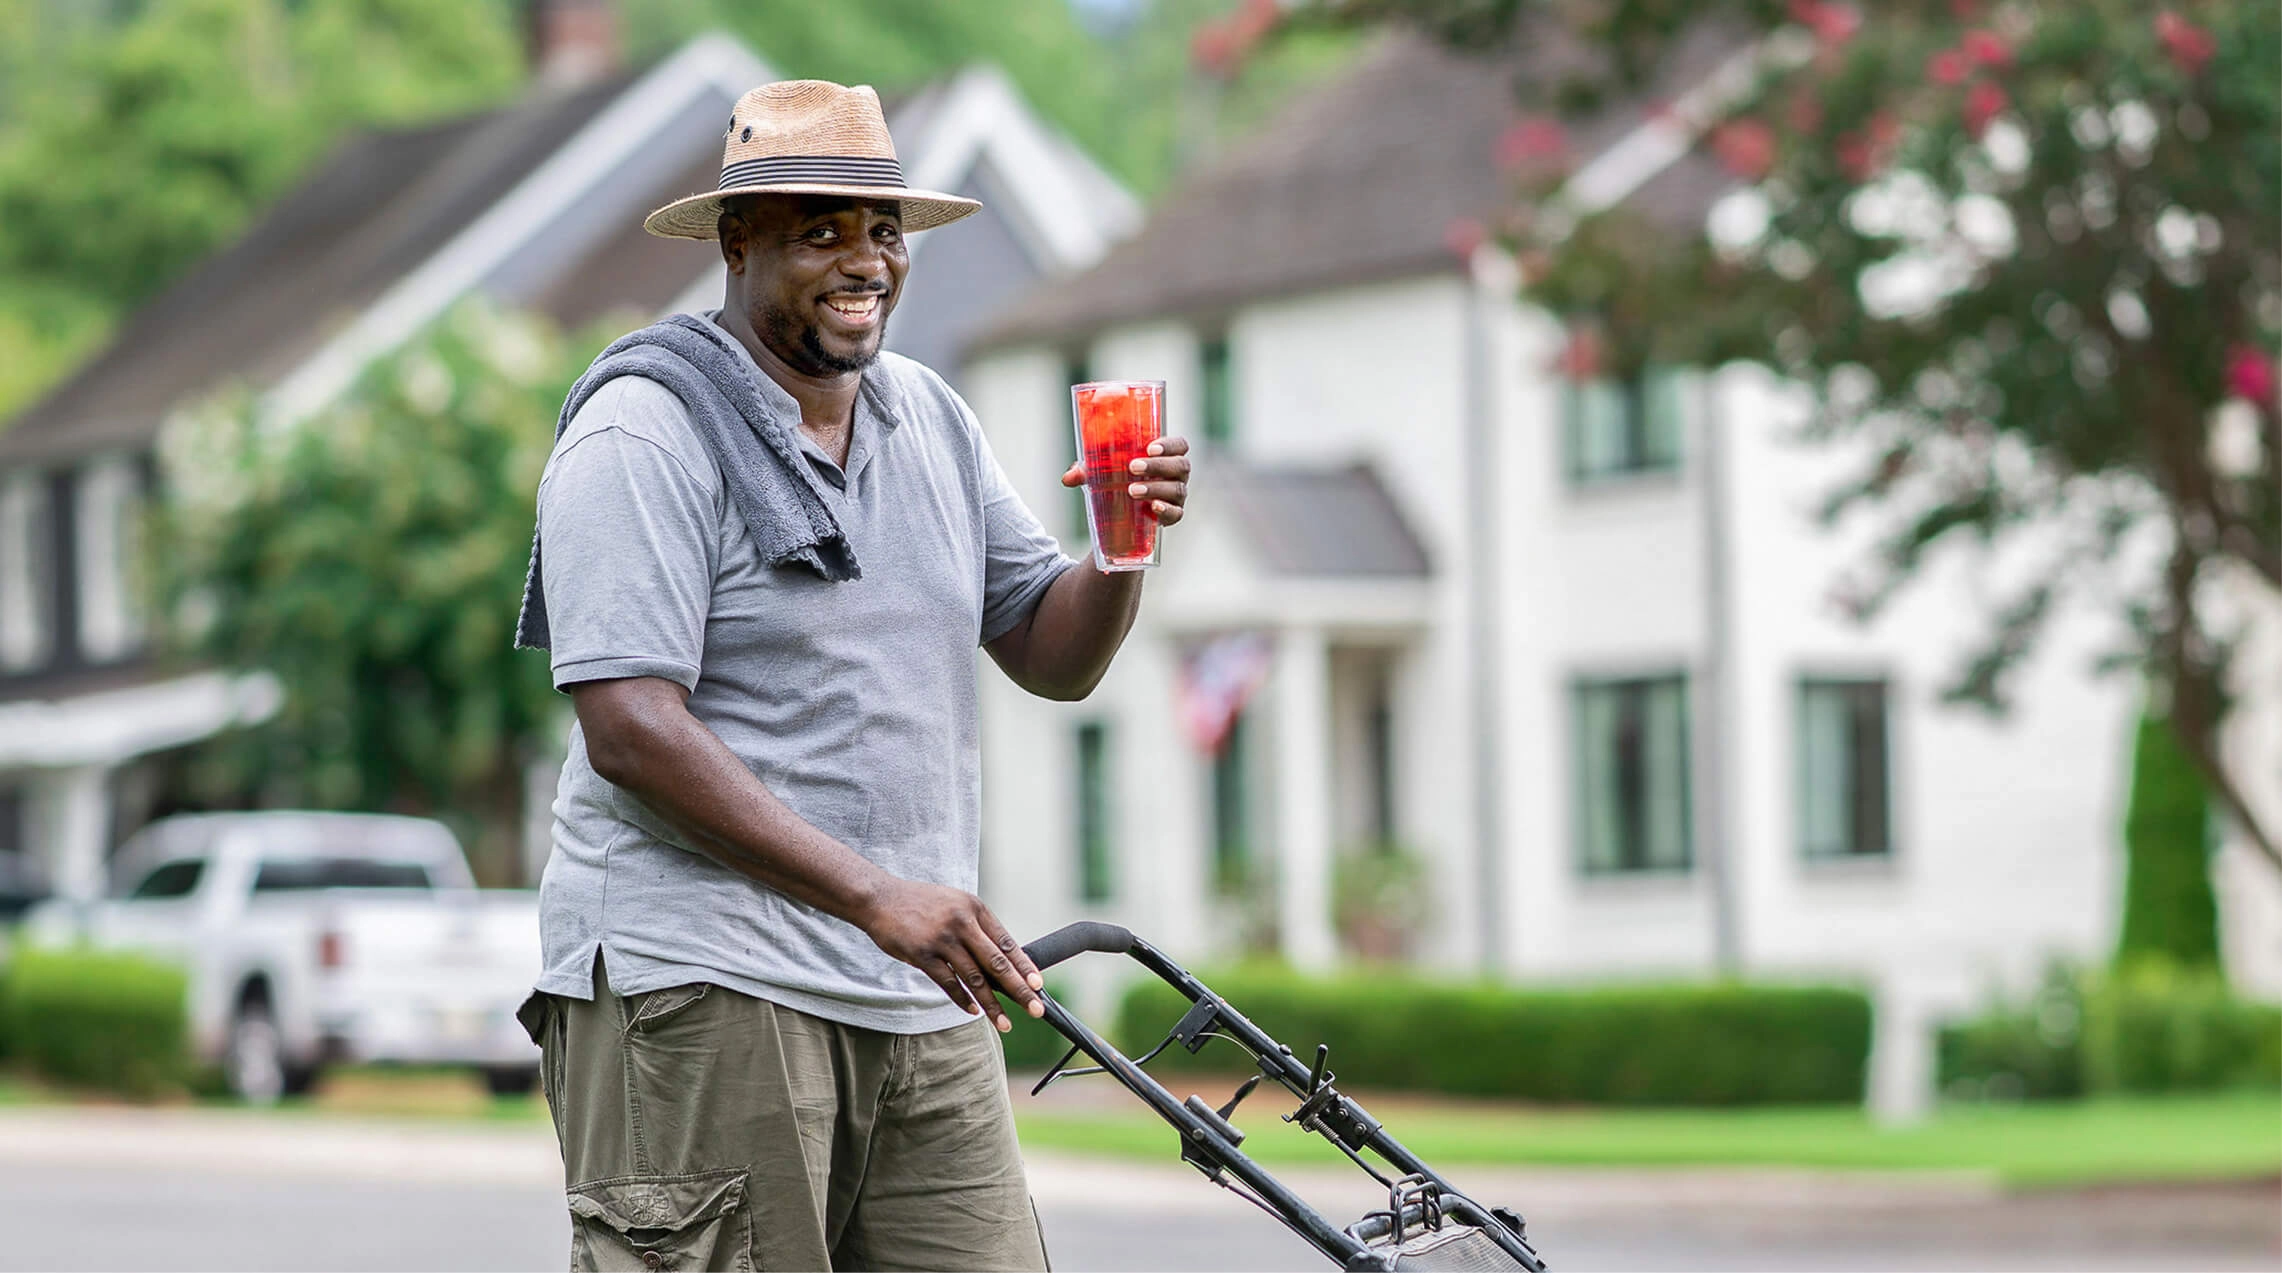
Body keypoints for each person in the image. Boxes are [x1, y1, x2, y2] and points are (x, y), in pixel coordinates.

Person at [510, 79, 1188, 1271]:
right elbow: (627, 726)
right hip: (705, 982)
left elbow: (1048, 650)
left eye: (881, 230)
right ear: (736, 242)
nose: (863, 258)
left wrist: (1118, 548)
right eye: (819, 229)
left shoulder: (926, 417)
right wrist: (878, 898)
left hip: (918, 990)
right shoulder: (641, 432)